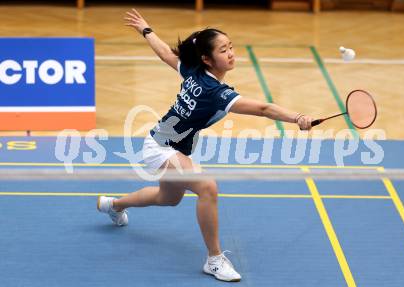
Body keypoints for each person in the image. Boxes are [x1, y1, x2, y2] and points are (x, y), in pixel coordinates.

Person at [97, 8, 313, 282]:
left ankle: (113, 205)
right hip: (160, 147)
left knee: (168, 198)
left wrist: (146, 30)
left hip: (170, 145)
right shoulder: (215, 92)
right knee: (207, 187)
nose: (231, 53)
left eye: (231, 46)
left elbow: (165, 53)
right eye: (224, 50)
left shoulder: (195, 72)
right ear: (207, 59)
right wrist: (297, 118)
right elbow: (263, 108)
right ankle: (214, 258)